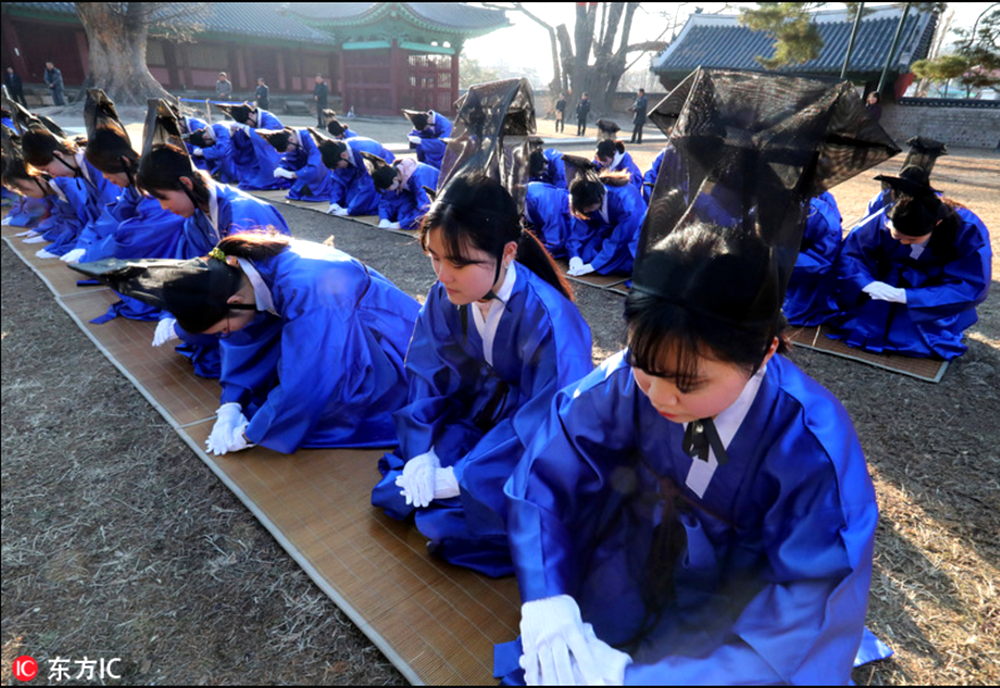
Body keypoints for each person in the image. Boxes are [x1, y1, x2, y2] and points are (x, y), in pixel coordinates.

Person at [370, 174, 594, 577]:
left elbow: (551, 420)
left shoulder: (550, 319)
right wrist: (424, 451)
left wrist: (462, 476)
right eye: (434, 256)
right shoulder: (446, 295)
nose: (442, 274)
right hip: (481, 417)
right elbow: (429, 369)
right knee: (399, 491)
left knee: (469, 518)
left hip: (531, 443)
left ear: (508, 252)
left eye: (458, 262)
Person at [72, 232, 421, 455]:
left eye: (221, 329)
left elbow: (311, 374)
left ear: (235, 304)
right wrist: (231, 403)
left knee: (337, 408)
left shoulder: (311, 284)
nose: (225, 337)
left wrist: (254, 433)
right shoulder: (239, 273)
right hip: (327, 329)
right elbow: (246, 336)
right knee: (263, 391)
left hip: (382, 336)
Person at [136, 101, 290, 377]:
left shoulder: (244, 212)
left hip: (260, 305)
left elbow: (256, 287)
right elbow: (190, 266)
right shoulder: (197, 215)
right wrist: (170, 311)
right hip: (230, 295)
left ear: (184, 183)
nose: (162, 207)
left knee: (201, 330)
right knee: (191, 324)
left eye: (163, 197)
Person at [827, 176, 992, 360]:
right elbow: (852, 253)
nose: (904, 242)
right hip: (885, 283)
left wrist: (908, 297)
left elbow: (971, 285)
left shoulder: (968, 230)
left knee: (914, 341)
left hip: (929, 294)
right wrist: (866, 284)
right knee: (858, 325)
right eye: (897, 236)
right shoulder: (885, 216)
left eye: (912, 240)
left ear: (936, 224)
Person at [77, 89, 188, 322]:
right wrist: (86, 244)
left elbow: (134, 236)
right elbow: (115, 218)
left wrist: (91, 255)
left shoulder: (159, 191)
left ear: (126, 161)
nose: (106, 178)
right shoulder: (133, 186)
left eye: (108, 171)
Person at [20, 114, 119, 262]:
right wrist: (84, 243)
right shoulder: (84, 170)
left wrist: (87, 245)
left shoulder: (95, 167)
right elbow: (94, 215)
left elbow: (114, 211)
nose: (51, 175)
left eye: (47, 170)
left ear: (58, 154)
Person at [565, 156, 646, 277]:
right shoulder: (589, 197)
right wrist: (574, 256)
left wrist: (594, 265)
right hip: (607, 229)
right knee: (585, 255)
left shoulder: (626, 201)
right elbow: (579, 228)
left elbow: (622, 237)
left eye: (587, 207)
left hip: (633, 235)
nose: (585, 211)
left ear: (599, 198)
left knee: (626, 265)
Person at [782, 191, 843, 326]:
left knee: (787, 315)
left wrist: (775, 258)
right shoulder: (758, 199)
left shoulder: (820, 214)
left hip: (803, 275)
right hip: (774, 263)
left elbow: (823, 261)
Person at [312, 129, 395, 216]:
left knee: (370, 202)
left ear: (343, 155)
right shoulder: (341, 154)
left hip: (379, 172)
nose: (337, 168)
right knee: (348, 201)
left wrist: (350, 211)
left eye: (336, 165)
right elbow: (337, 179)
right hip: (361, 172)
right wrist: (334, 203)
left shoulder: (367, 151)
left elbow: (369, 183)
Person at [216, 102, 289, 191]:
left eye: (247, 123)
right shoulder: (249, 123)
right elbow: (241, 144)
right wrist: (232, 134)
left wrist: (247, 129)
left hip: (275, 157)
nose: (247, 126)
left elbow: (267, 140)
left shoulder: (270, 119)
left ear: (251, 115)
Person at [362, 152, 439, 231]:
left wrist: (401, 225)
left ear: (395, 179)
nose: (388, 190)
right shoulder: (393, 174)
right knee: (401, 213)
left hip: (437, 199)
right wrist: (384, 218)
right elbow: (386, 199)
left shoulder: (420, 177)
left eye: (388, 188)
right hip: (415, 194)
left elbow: (425, 206)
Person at [258, 126, 336, 203]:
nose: (287, 151)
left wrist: (292, 174)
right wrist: (281, 169)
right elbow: (289, 160)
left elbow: (316, 166)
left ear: (290, 139)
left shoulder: (310, 140)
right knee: (296, 192)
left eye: (286, 149)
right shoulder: (294, 141)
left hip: (323, 170)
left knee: (311, 191)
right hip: (308, 168)